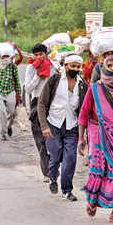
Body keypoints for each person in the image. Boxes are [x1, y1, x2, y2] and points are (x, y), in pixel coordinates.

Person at [78, 55, 113, 223]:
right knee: (99, 169)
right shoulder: (94, 88)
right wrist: (81, 138)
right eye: (111, 65)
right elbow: (84, 113)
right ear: (104, 67)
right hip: (97, 132)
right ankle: (92, 201)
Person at [37, 54, 87, 201]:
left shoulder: (82, 84)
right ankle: (52, 177)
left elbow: (84, 108)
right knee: (55, 156)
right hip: (53, 124)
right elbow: (41, 103)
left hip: (72, 125)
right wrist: (44, 126)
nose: (75, 69)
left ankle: (67, 190)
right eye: (73, 66)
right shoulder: (54, 80)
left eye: (78, 67)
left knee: (70, 158)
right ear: (66, 66)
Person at [25, 43, 57, 183]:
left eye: (41, 54)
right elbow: (28, 88)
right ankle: (47, 172)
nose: (39, 57)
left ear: (46, 54)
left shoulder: (53, 67)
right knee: (41, 140)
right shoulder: (30, 68)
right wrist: (38, 75)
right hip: (37, 103)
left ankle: (54, 166)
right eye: (36, 55)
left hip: (53, 104)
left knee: (53, 138)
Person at [0, 48, 22, 141]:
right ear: (1, 57)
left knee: (12, 112)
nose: (6, 58)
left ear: (10, 57)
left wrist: (19, 95)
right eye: (4, 56)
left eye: (7, 56)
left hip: (10, 91)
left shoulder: (13, 67)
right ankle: (3, 133)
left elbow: (17, 81)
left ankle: (8, 126)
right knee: (2, 112)